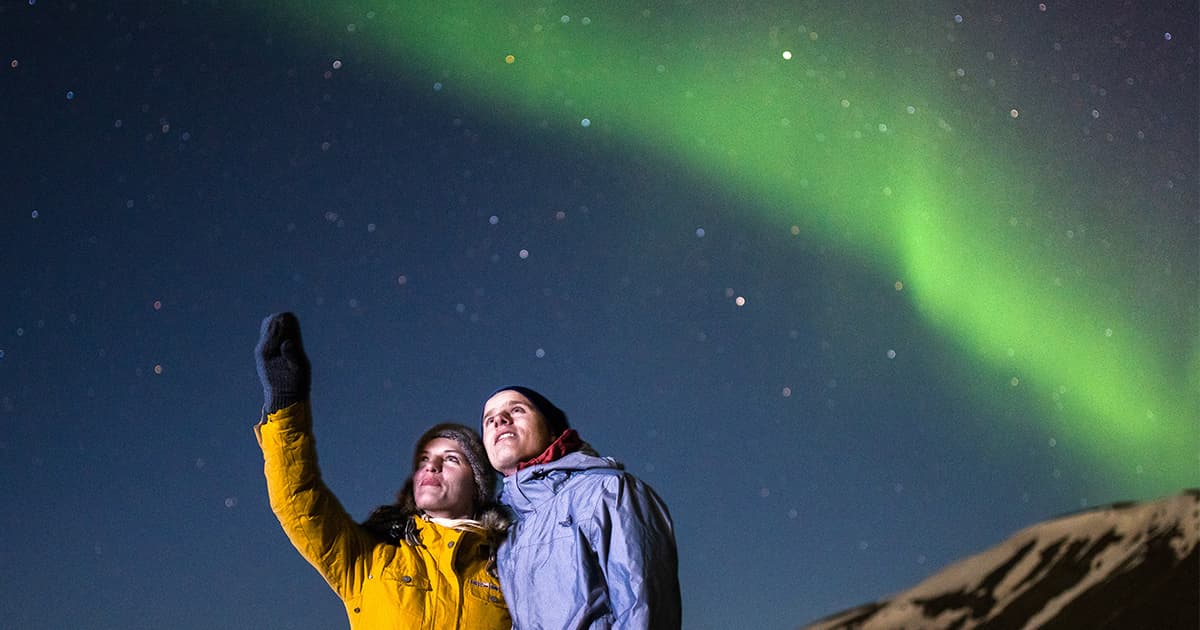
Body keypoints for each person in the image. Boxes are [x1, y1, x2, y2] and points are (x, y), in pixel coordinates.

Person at [254, 312, 512, 630]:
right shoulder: (373, 557)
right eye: (424, 460)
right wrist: (286, 404)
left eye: (451, 459)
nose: (432, 465)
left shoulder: (506, 568)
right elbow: (300, 503)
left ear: (478, 486)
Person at [481, 386, 682, 629]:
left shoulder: (607, 491)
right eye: (489, 419)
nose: (499, 420)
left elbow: (644, 610)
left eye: (517, 409)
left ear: (552, 430)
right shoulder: (505, 534)